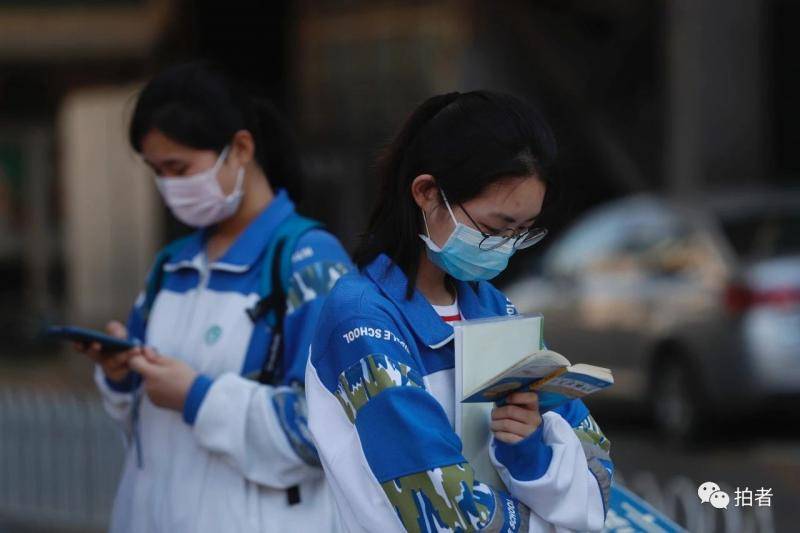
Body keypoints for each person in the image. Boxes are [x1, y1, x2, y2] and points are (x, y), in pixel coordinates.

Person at [305, 91, 613, 532]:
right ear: (427, 193)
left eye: (522, 232)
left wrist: (528, 455)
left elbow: (597, 476)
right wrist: (556, 521)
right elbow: (448, 513)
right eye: (494, 228)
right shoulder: (363, 320)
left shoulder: (495, 309)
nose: (505, 247)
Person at [75, 62, 351, 533]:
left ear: (240, 148)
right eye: (156, 171)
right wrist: (122, 376)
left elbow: (327, 430)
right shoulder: (171, 266)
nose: (169, 188)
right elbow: (141, 425)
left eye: (178, 168)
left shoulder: (310, 263)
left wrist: (199, 397)